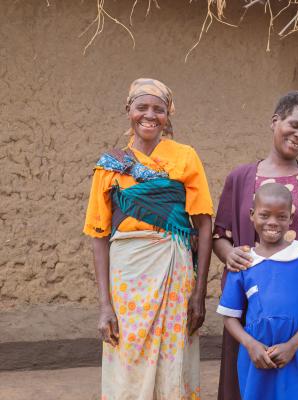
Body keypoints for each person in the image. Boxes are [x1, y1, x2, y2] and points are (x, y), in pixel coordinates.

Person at [83, 78, 213, 400]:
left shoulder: (185, 157)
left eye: (159, 109)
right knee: (128, 353)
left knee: (173, 356)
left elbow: (204, 224)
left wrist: (200, 294)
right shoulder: (110, 166)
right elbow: (99, 235)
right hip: (127, 275)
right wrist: (104, 305)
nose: (149, 115)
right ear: (129, 110)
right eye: (142, 107)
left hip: (175, 270)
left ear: (168, 115)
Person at [213, 91, 298, 399]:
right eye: (294, 125)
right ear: (276, 122)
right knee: (246, 382)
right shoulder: (241, 177)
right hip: (251, 307)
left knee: (297, 384)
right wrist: (230, 254)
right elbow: (221, 236)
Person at [217, 183, 298, 400]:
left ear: (290, 218)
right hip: (257, 355)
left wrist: (293, 345)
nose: (272, 222)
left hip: (297, 352)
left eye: (281, 216)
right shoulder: (244, 261)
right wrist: (250, 344)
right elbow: (229, 317)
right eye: (264, 215)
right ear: (252, 215)